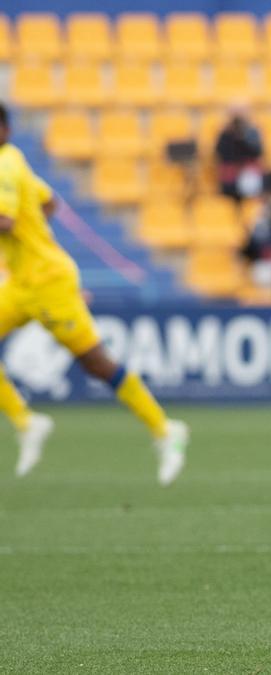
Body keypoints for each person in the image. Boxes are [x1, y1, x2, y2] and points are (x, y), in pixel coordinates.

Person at [0, 102, 188, 484]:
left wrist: (30, 244)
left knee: (96, 363)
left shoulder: (5, 163)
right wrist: (31, 240)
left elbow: (4, 221)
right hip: (22, 282)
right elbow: (48, 201)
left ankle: (166, 429)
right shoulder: (16, 163)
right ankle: (26, 421)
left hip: (49, 283)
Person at [214, 102, 264, 203]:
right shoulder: (225, 134)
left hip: (248, 173)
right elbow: (220, 153)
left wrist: (244, 138)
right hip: (229, 175)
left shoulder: (252, 132)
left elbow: (257, 151)